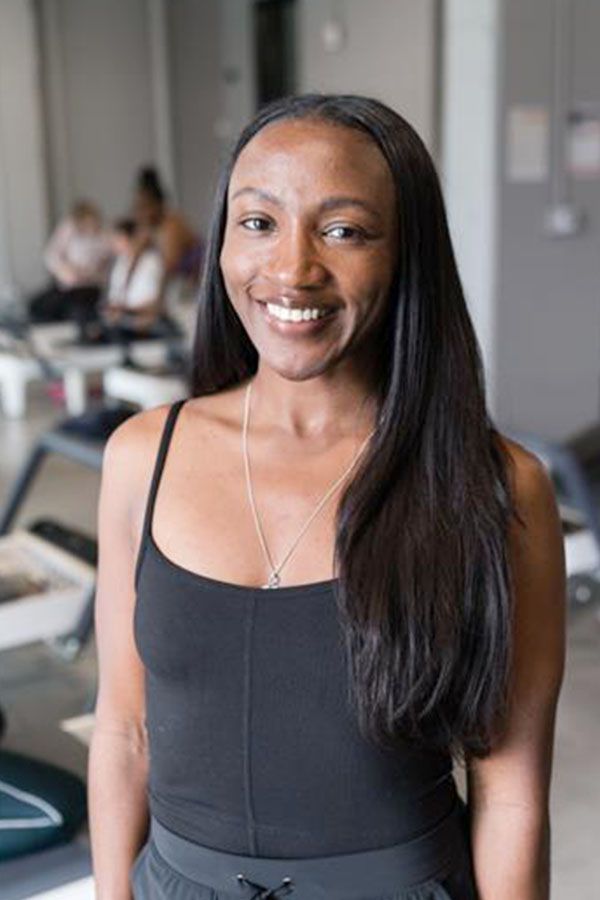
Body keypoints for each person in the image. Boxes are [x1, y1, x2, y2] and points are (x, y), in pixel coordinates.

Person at [88, 94, 566, 900]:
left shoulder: (495, 489)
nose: (292, 270)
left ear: (405, 251)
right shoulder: (144, 457)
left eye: (343, 230)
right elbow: (124, 731)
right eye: (259, 222)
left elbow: (510, 790)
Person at [28, 200, 112, 324]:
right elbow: (51, 255)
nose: (90, 225)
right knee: (36, 306)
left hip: (90, 288)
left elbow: (105, 267)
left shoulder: (104, 236)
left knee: (75, 311)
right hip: (67, 286)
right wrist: (66, 270)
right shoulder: (70, 229)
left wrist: (89, 273)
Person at [133, 167, 203, 300]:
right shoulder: (149, 228)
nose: (140, 213)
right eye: (138, 208)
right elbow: (135, 256)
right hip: (182, 286)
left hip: (197, 284)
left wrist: (156, 303)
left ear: (158, 205)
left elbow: (169, 268)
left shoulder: (172, 225)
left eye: (145, 207)